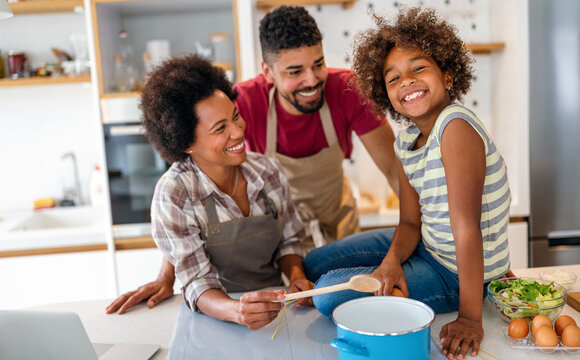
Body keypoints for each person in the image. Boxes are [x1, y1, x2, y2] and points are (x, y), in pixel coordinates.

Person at [106, 5, 399, 315]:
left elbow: (395, 172)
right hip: (252, 275)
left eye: (318, 64)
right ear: (267, 72)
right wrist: (168, 275)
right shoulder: (241, 102)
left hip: (332, 223)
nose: (312, 80)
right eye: (294, 71)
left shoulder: (344, 93)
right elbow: (191, 202)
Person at [303, 8, 511, 360]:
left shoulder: (455, 128)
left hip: (456, 272)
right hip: (429, 245)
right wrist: (390, 262)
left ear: (447, 75)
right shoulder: (406, 142)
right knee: (316, 262)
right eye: (393, 78)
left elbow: (466, 228)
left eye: (418, 69)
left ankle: (486, 286)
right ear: (386, 94)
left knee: (326, 295)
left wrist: (471, 318)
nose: (407, 82)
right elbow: (410, 222)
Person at [123, 54, 313, 329]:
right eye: (220, 128)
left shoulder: (268, 171)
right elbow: (198, 284)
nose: (238, 132)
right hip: (216, 315)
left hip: (276, 308)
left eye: (235, 117)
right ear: (186, 142)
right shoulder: (175, 194)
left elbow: (289, 240)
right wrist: (237, 311)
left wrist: (295, 274)